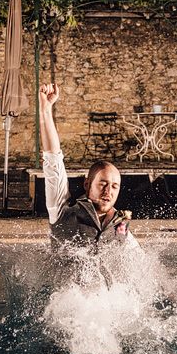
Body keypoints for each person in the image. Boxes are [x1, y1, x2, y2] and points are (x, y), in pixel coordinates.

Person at [38, 83, 139, 250]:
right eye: (103, 184)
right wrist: (46, 109)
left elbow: (141, 263)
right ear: (87, 184)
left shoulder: (121, 227)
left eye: (115, 186)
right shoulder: (62, 212)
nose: (109, 192)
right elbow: (53, 160)